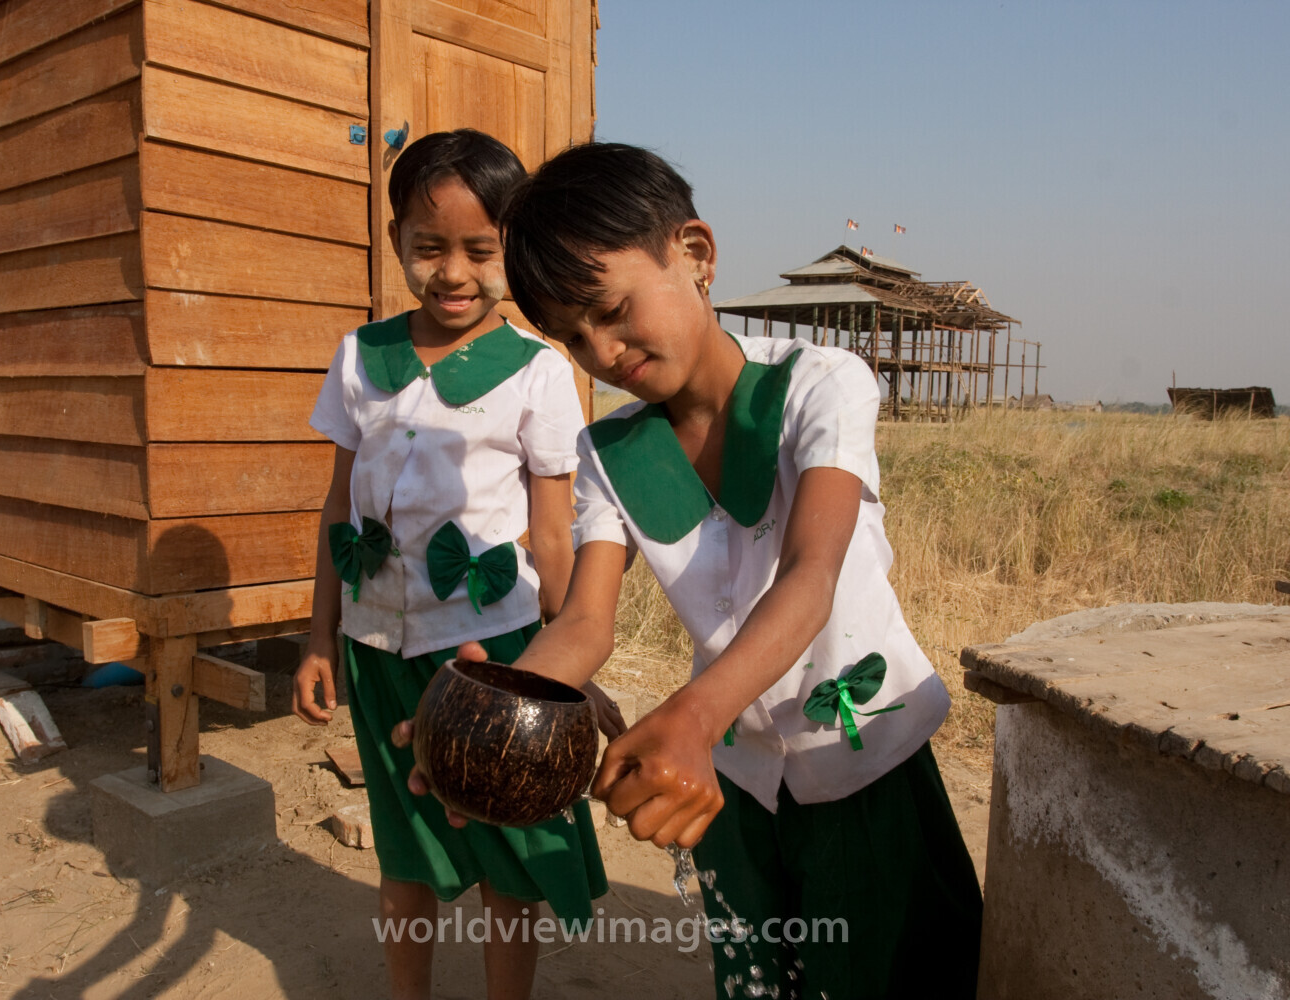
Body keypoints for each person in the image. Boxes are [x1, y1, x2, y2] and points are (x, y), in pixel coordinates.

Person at [417, 142, 983, 998]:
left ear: (695, 254)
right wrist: (491, 726)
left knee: (890, 975)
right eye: (572, 337)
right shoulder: (609, 450)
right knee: (758, 982)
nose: (602, 351)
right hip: (731, 781)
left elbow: (811, 576)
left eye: (611, 310)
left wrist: (691, 713)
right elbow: (584, 624)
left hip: (866, 763)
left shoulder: (818, 385)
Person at [292, 128, 614, 1000]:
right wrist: (321, 634)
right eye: (428, 248)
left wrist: (563, 666)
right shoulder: (361, 358)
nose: (454, 273)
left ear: (513, 247)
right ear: (395, 238)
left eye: (481, 249)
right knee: (404, 845)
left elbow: (554, 535)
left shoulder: (540, 372)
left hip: (494, 655)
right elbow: (338, 505)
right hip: (374, 649)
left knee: (508, 851)